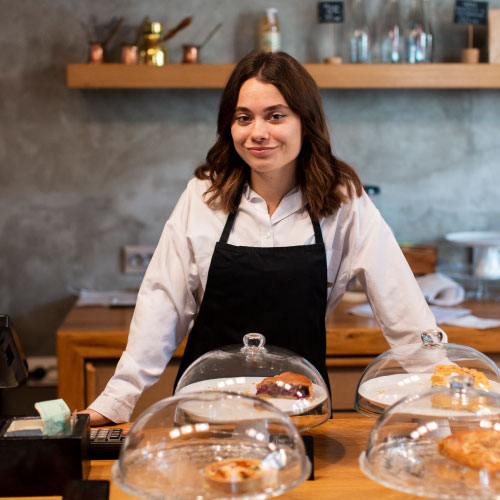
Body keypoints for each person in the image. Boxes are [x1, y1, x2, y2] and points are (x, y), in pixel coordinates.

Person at [82, 50, 443, 425]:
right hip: (205, 408)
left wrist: (443, 393)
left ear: (306, 121)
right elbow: (164, 300)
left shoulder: (344, 199)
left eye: (275, 116)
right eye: (244, 118)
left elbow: (399, 299)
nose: (257, 132)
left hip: (301, 411)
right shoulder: (204, 194)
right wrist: (117, 399)